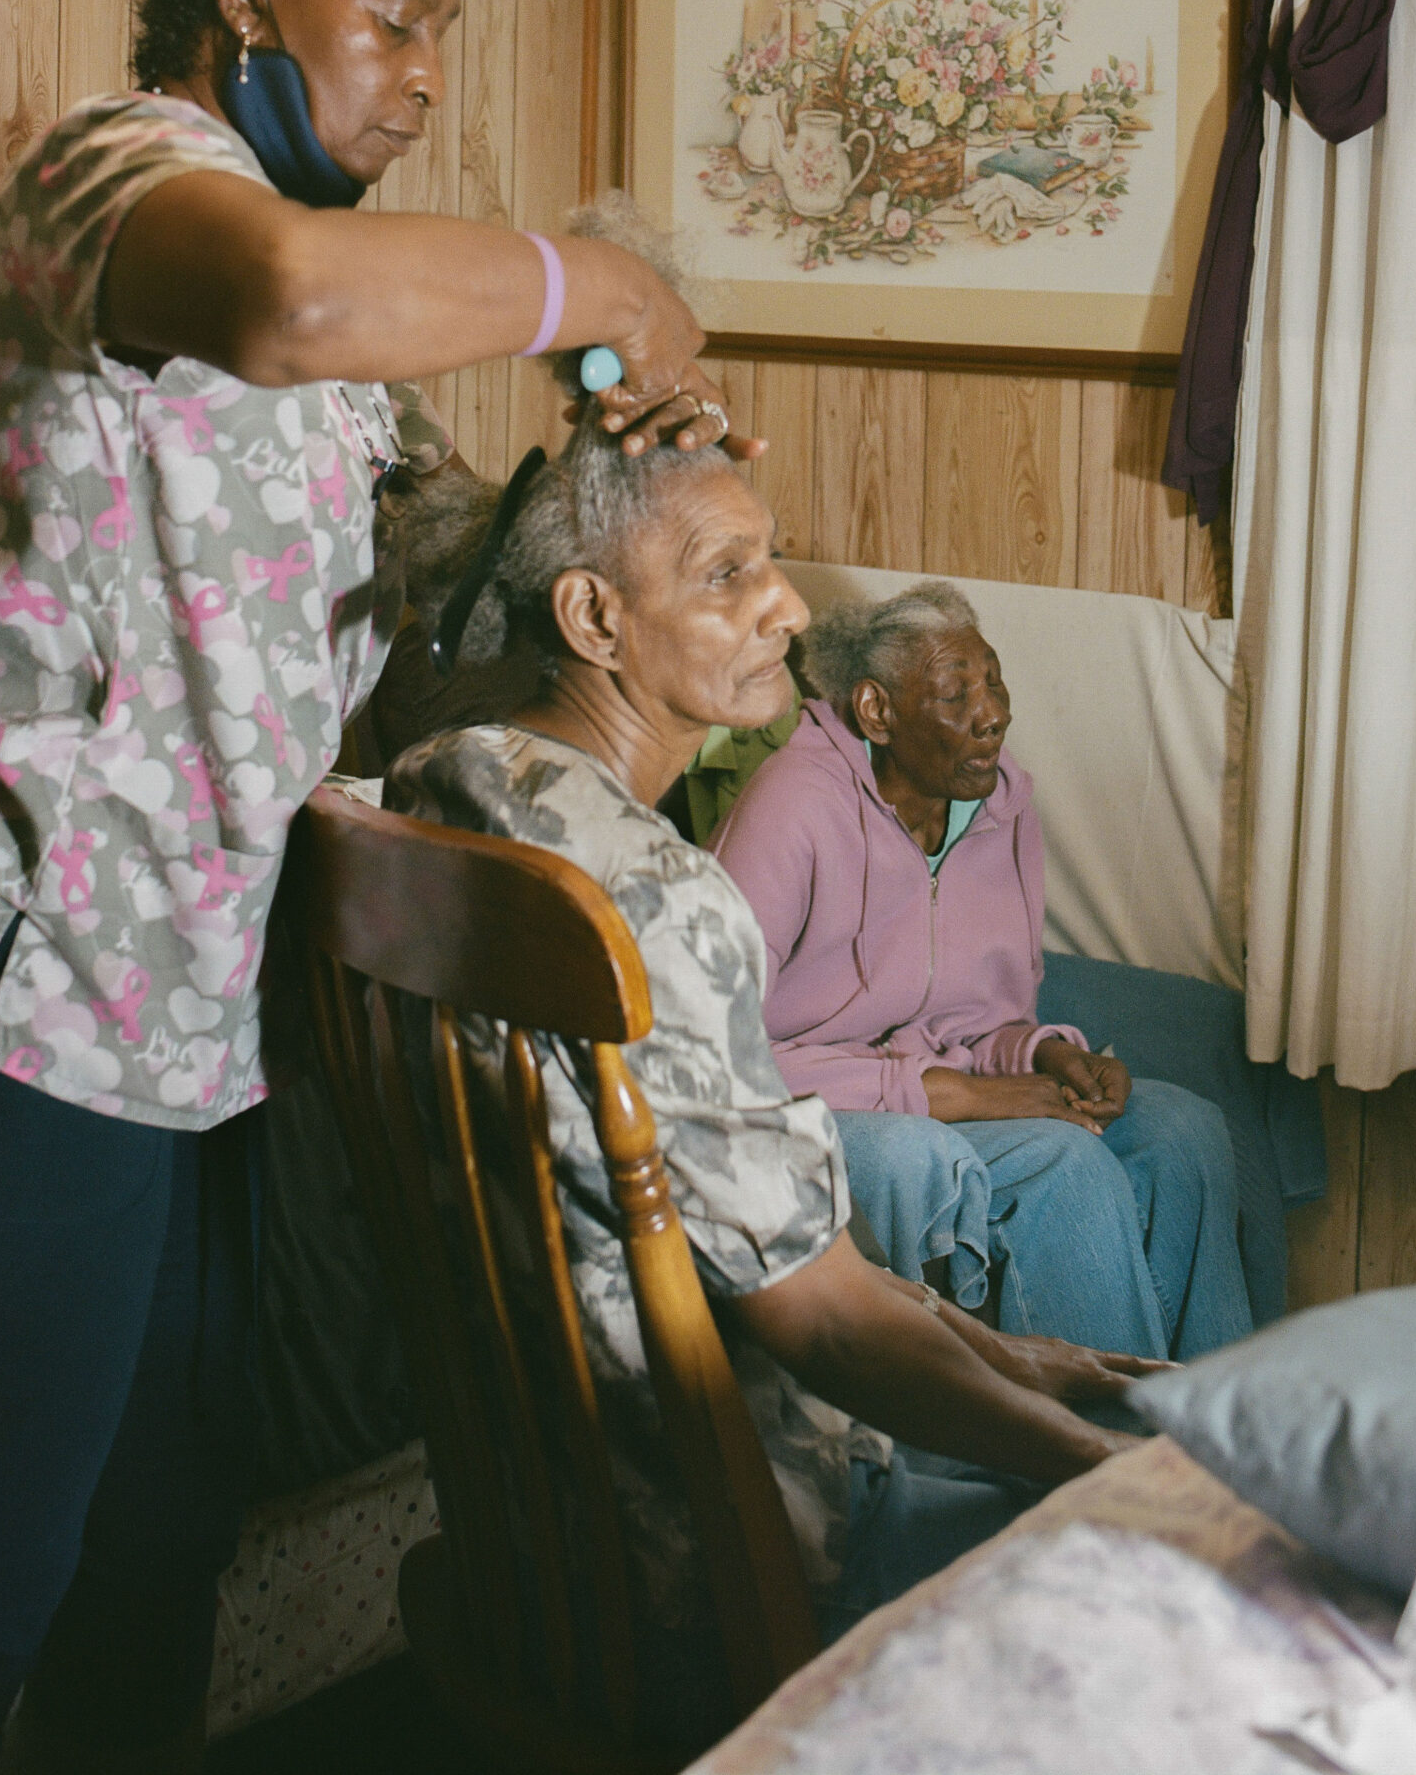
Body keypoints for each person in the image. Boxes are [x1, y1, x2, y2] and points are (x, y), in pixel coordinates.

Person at [0, 0, 749, 1775]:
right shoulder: (117, 180)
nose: (422, 74)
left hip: (172, 1004)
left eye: (442, 30)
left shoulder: (345, 382)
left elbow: (387, 664)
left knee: (156, 1551)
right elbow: (290, 294)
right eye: (392, 16)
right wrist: (605, 283)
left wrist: (622, 576)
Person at [387, 402, 1155, 1748]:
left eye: (771, 563)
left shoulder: (442, 791)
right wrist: (1108, 1474)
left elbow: (764, 1249)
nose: (790, 611)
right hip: (721, 1569)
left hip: (536, 1534)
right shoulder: (661, 906)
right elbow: (830, 1326)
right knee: (1152, 1575)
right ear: (591, 618)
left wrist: (1019, 1356)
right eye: (727, 576)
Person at [712, 584, 1255, 1365]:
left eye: (992, 680)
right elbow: (718, 1051)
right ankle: (1110, 1459)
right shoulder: (792, 806)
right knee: (1064, 1161)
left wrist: (1044, 1055)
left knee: (1185, 1133)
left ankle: (1220, 1436)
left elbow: (978, 1014)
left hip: (933, 1081)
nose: (992, 711)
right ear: (877, 712)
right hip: (804, 1102)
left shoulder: (1002, 808)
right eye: (954, 692)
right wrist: (950, 1094)